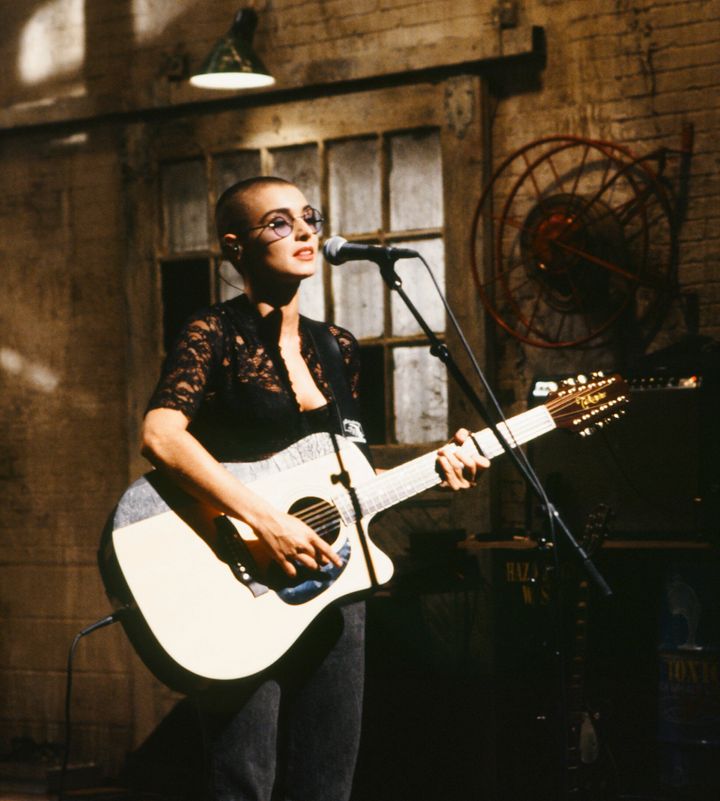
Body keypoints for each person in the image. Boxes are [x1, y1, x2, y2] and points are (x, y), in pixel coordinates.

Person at [140, 176, 490, 801]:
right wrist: (268, 521)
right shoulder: (213, 333)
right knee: (244, 779)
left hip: (335, 585)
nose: (304, 231)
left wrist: (444, 468)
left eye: (309, 216)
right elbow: (162, 437)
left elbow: (347, 481)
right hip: (240, 580)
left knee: (327, 783)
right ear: (235, 247)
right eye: (278, 223)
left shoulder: (338, 347)